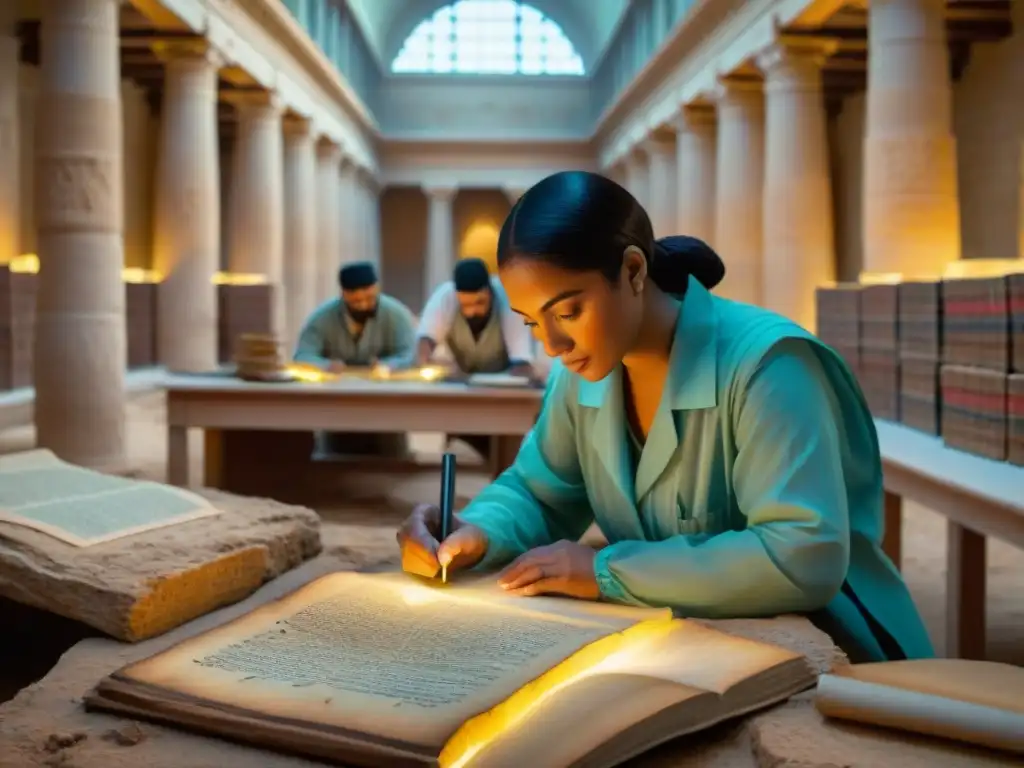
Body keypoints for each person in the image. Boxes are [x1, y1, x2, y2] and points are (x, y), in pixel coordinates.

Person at [397, 170, 935, 663]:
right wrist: (478, 532)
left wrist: (606, 571)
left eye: (566, 311)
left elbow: (801, 556)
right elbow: (541, 491)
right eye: (532, 322)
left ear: (633, 270)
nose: (554, 343)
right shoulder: (581, 372)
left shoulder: (770, 367)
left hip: (829, 650)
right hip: (681, 644)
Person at [416, 256, 539, 460]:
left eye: (479, 302)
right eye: (465, 305)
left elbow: (522, 365)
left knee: (508, 459)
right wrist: (432, 362)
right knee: (459, 453)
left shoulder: (510, 299)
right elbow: (423, 346)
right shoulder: (445, 295)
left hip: (503, 398)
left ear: (490, 290)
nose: (472, 311)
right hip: (461, 396)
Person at [294, 261, 416, 457]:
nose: (363, 305)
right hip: (337, 403)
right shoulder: (322, 317)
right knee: (335, 457)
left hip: (386, 402)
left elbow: (411, 354)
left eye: (369, 298)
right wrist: (324, 366)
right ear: (343, 295)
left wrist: (390, 365)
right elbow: (302, 356)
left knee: (391, 457)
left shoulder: (397, 314)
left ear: (377, 289)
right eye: (355, 302)